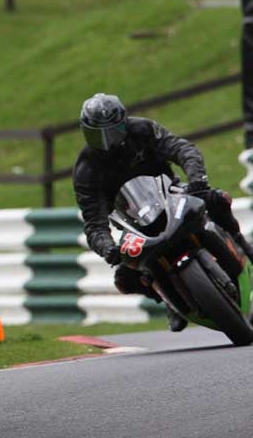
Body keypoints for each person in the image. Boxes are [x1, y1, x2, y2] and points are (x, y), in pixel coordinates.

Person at [73, 92, 253, 332]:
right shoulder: (86, 169)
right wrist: (106, 247)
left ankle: (243, 245)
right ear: (86, 132)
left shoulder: (143, 130)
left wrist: (197, 180)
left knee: (217, 199)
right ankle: (166, 298)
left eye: (112, 131)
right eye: (98, 135)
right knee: (124, 279)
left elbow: (182, 149)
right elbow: (93, 223)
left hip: (171, 192)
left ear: (124, 123)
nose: (107, 141)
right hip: (131, 220)